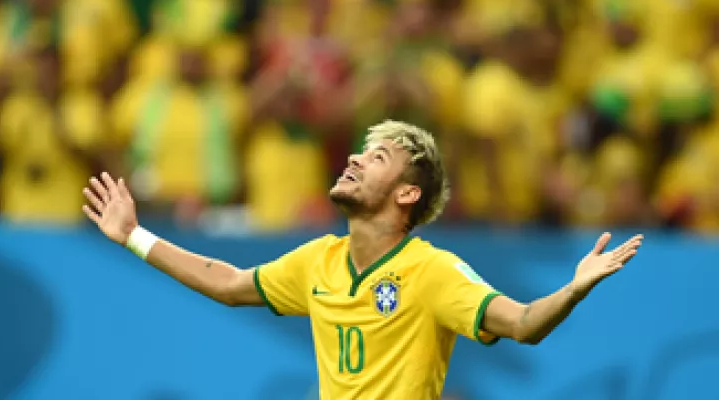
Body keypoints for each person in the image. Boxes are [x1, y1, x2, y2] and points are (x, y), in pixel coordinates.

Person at [83, 119, 642, 400]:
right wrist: (134, 236)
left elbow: (522, 324)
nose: (352, 158)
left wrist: (573, 289)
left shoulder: (433, 272)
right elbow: (229, 282)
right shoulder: (318, 260)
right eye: (360, 151)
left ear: (406, 195)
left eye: (375, 158)